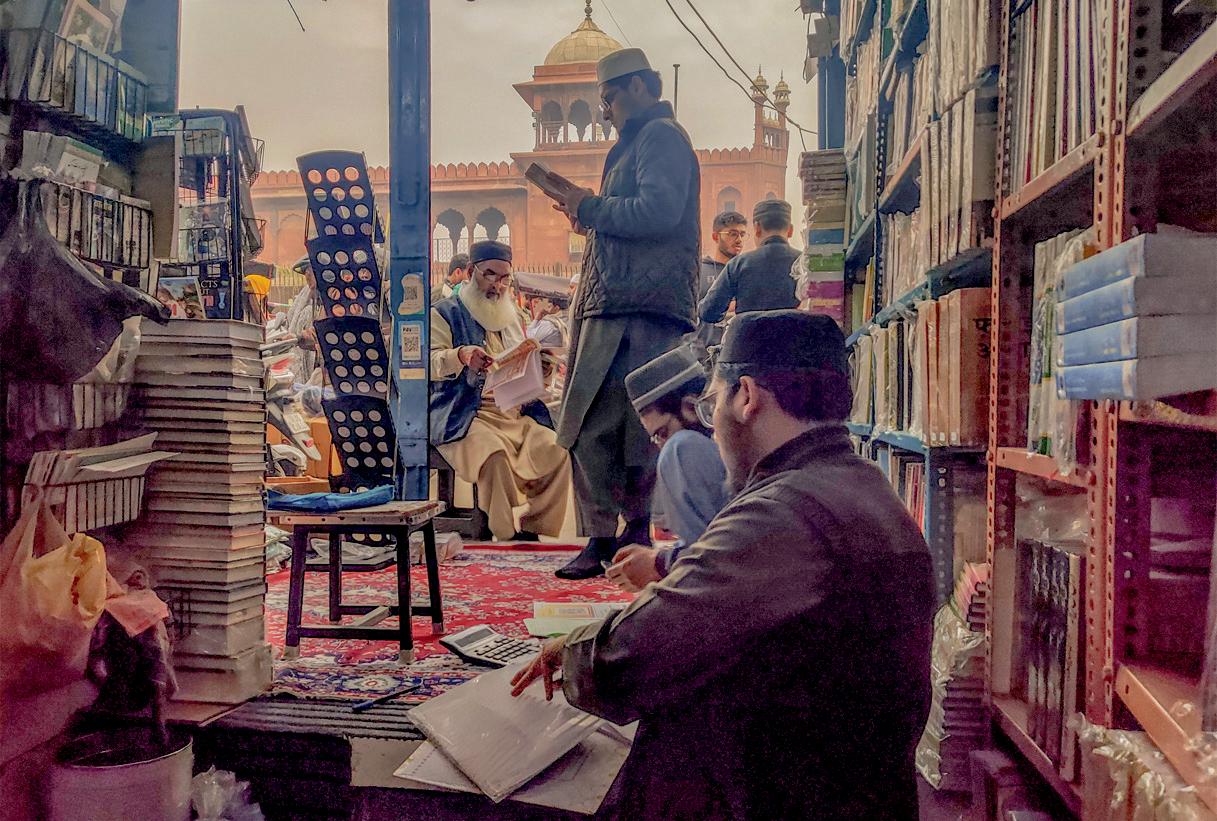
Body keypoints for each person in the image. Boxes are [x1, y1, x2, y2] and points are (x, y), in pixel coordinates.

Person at [511, 310, 934, 819]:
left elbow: (628, 661)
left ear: (747, 397)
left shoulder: (785, 509)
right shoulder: (863, 484)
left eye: (713, 402)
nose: (712, 427)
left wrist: (576, 651)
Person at [548, 47, 702, 579]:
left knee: (635, 426)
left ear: (639, 86)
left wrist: (590, 208)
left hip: (642, 309)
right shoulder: (634, 146)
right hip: (616, 304)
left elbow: (658, 211)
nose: (605, 109)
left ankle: (626, 536)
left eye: (609, 97)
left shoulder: (661, 138)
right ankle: (603, 535)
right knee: (595, 426)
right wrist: (588, 214)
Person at [429, 240, 571, 542]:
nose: (498, 285)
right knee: (494, 456)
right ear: (471, 272)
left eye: (505, 278)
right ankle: (503, 534)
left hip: (513, 412)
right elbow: (427, 363)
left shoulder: (515, 317)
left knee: (556, 448)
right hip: (466, 414)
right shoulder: (444, 313)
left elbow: (523, 366)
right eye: (490, 275)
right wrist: (462, 355)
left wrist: (541, 366)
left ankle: (533, 529)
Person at [609, 345, 729, 592]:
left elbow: (713, 560)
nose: (663, 446)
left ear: (689, 407)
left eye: (662, 433)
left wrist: (661, 565)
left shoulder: (685, 446)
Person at [698, 199, 801, 324]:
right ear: (790, 230)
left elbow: (709, 313)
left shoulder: (739, 264)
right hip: (794, 341)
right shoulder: (804, 264)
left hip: (749, 341)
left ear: (757, 228)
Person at [687, 210, 747, 364]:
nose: (739, 240)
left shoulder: (746, 271)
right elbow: (689, 315)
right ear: (715, 236)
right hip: (703, 359)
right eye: (732, 234)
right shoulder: (699, 271)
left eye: (742, 234)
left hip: (737, 359)